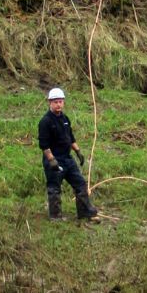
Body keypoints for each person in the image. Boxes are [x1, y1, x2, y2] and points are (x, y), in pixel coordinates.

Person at [38, 88, 100, 221]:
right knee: (54, 188)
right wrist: (51, 160)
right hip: (54, 159)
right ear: (50, 102)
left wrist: (78, 151)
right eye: (55, 102)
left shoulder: (65, 119)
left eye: (60, 101)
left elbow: (70, 137)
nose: (58, 104)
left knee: (80, 184)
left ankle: (84, 212)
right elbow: (44, 145)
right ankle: (55, 216)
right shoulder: (45, 121)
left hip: (67, 159)